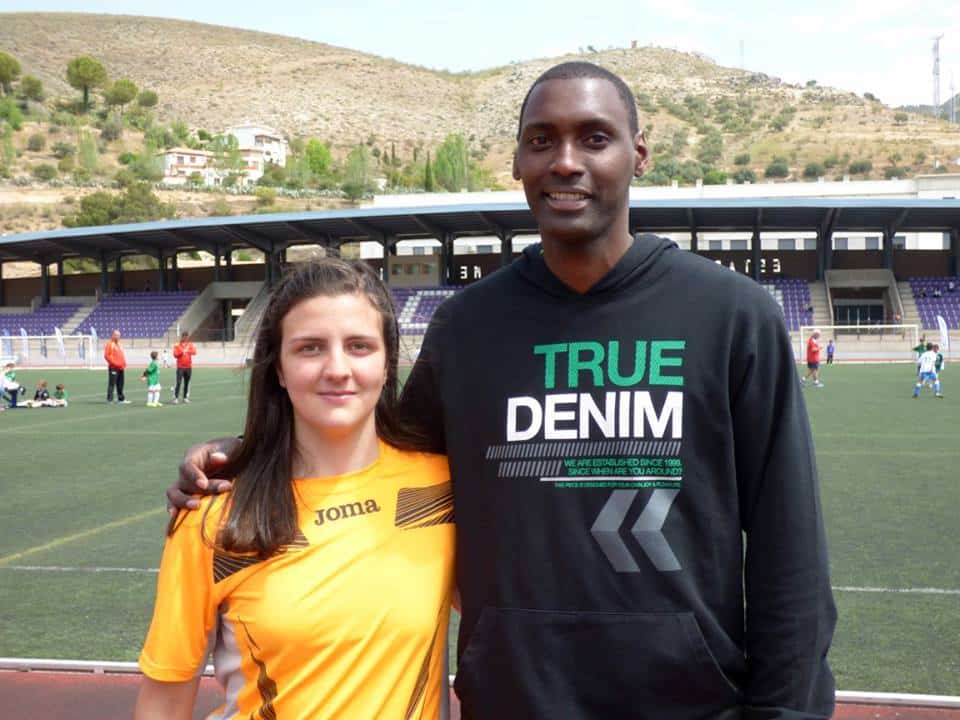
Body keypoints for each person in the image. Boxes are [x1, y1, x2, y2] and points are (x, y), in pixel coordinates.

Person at [168, 62, 836, 719]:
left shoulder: (730, 315)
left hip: (690, 704)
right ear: (517, 163)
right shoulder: (468, 327)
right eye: (541, 140)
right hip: (512, 701)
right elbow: (379, 454)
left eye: (594, 138)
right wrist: (254, 452)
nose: (566, 162)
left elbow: (790, 551)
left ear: (639, 155)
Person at [137, 259, 454, 719]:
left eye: (359, 346)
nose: (337, 368)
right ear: (280, 370)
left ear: (388, 362)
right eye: (310, 349)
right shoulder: (214, 514)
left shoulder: (442, 488)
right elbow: (163, 702)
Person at [104, 329, 130, 404]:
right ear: (113, 335)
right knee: (112, 384)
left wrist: (123, 363)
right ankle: (109, 400)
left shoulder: (119, 344)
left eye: (119, 335)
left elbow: (121, 355)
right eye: (117, 335)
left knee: (120, 384)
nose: (118, 337)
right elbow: (106, 356)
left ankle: (121, 399)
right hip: (113, 367)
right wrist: (114, 363)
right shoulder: (110, 344)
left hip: (121, 368)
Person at [172, 331, 197, 404]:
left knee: (187, 382)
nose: (185, 338)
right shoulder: (177, 345)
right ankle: (176, 398)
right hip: (180, 367)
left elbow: (194, 352)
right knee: (178, 382)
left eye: (186, 337)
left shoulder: (190, 344)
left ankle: (185, 397)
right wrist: (182, 352)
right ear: (182, 337)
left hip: (188, 366)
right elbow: (175, 355)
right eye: (184, 337)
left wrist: (188, 350)